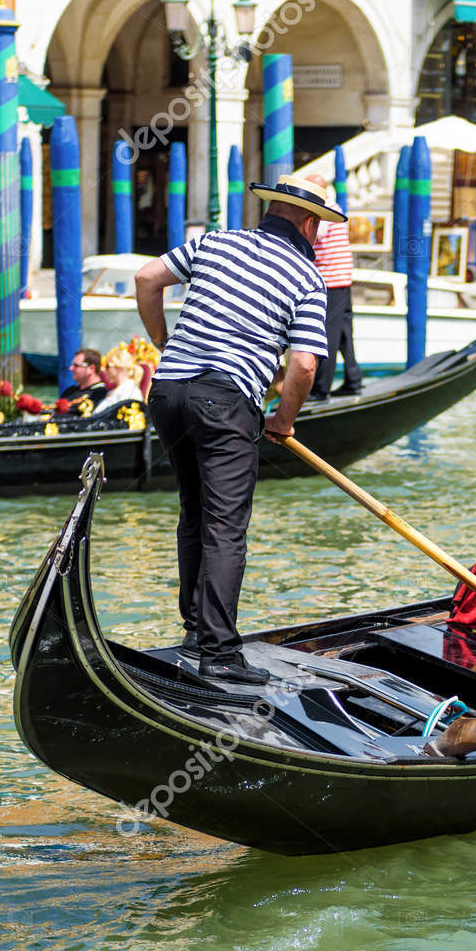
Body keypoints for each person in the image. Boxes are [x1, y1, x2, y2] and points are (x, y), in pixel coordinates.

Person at [134, 172, 337, 685]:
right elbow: (305, 364)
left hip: (169, 392)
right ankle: (220, 652)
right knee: (225, 526)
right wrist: (282, 421)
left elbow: (145, 278)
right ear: (310, 223)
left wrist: (165, 345)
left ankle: (195, 630)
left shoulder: (215, 241)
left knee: (194, 513)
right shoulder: (305, 275)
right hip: (225, 399)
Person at [302, 173, 361, 400]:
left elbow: (314, 237)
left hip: (331, 281)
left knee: (327, 335)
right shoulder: (334, 207)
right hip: (342, 279)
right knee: (344, 333)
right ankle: (353, 380)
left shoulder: (323, 212)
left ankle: (320, 389)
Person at [97, 346, 145, 411]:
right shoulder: (113, 391)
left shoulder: (130, 393)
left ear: (119, 369)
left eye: (108, 366)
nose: (104, 370)